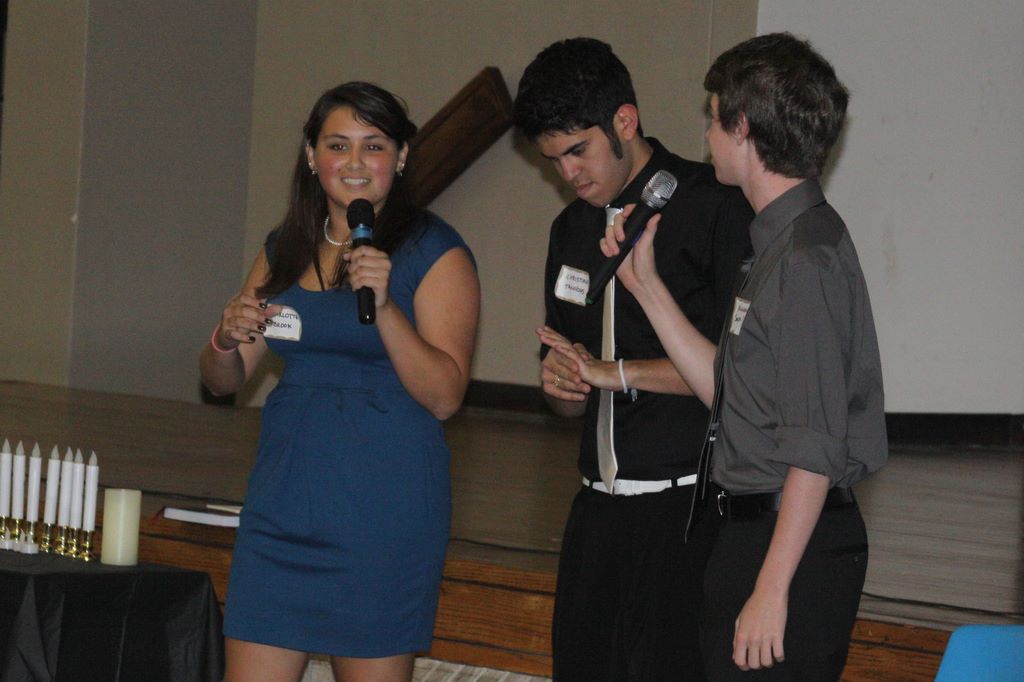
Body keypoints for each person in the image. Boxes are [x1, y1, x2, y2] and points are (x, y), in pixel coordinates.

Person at [594, 33, 888, 680]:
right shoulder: (779, 243)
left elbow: (814, 448)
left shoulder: (804, 260)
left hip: (790, 546)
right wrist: (647, 286)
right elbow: (732, 395)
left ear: (744, 127)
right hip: (756, 532)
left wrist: (771, 589)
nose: (706, 135)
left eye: (712, 117)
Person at [199, 82, 480, 682]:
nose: (355, 162)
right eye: (337, 145)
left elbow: (445, 396)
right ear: (311, 155)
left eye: (374, 145)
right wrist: (225, 337)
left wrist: (385, 306)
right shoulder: (284, 247)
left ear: (401, 157)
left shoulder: (436, 251)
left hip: (382, 517)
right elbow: (223, 380)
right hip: (282, 508)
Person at [513, 38, 752, 680]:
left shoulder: (711, 205)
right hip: (595, 512)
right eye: (552, 160)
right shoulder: (569, 230)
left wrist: (613, 374)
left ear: (624, 121)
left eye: (577, 151)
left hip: (688, 512)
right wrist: (562, 384)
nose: (568, 174)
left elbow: (737, 374)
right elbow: (568, 393)